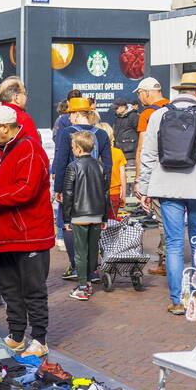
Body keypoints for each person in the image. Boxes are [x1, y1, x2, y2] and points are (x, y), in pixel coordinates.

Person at [136, 72, 196, 315]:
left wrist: (145, 188)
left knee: (175, 243)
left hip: (166, 185)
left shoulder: (158, 116)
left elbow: (148, 155)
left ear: (181, 91)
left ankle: (177, 299)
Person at [0, 105, 54, 356]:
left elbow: (26, 190)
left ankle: (39, 339)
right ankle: (16, 334)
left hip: (29, 232)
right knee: (10, 287)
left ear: (5, 128)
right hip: (8, 232)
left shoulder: (28, 148)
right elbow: (12, 184)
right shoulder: (9, 149)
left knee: (32, 289)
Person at [52, 97, 111, 281]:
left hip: (73, 187)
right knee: (94, 225)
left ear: (77, 114)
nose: (69, 118)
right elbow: (107, 165)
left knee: (68, 225)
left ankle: (77, 267)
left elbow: (61, 161)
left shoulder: (68, 132)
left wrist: (59, 188)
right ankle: (92, 269)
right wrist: (104, 188)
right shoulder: (101, 134)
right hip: (95, 188)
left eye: (71, 114)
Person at [63, 131, 109, 300]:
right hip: (97, 214)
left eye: (73, 147)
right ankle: (88, 281)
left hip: (79, 214)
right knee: (92, 250)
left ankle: (83, 287)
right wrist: (104, 217)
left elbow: (68, 194)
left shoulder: (73, 166)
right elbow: (105, 193)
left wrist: (66, 218)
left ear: (78, 148)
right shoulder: (100, 165)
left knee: (80, 252)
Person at [133, 76, 170, 274]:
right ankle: (170, 255)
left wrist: (139, 180)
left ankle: (166, 259)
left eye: (139, 94)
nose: (139, 98)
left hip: (157, 174)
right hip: (178, 173)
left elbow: (142, 148)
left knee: (162, 218)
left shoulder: (147, 114)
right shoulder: (174, 108)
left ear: (147, 92)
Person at [98, 122, 127, 217]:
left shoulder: (95, 153)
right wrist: (123, 195)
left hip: (98, 192)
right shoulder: (118, 152)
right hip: (115, 192)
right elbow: (122, 175)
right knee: (112, 222)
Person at [111, 98, 139, 171]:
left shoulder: (134, 116)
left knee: (130, 177)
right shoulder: (117, 117)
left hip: (130, 155)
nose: (115, 110)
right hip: (120, 153)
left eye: (116, 108)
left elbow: (141, 133)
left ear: (123, 107)